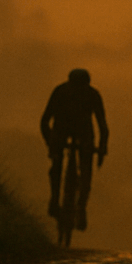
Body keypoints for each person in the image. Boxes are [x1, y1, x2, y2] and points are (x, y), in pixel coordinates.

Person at [39, 68, 108, 229]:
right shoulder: (91, 94)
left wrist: (50, 142)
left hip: (68, 131)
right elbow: (102, 125)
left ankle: (59, 201)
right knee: (84, 169)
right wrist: (102, 147)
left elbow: (44, 121)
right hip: (73, 131)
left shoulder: (62, 91)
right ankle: (75, 205)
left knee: (61, 165)